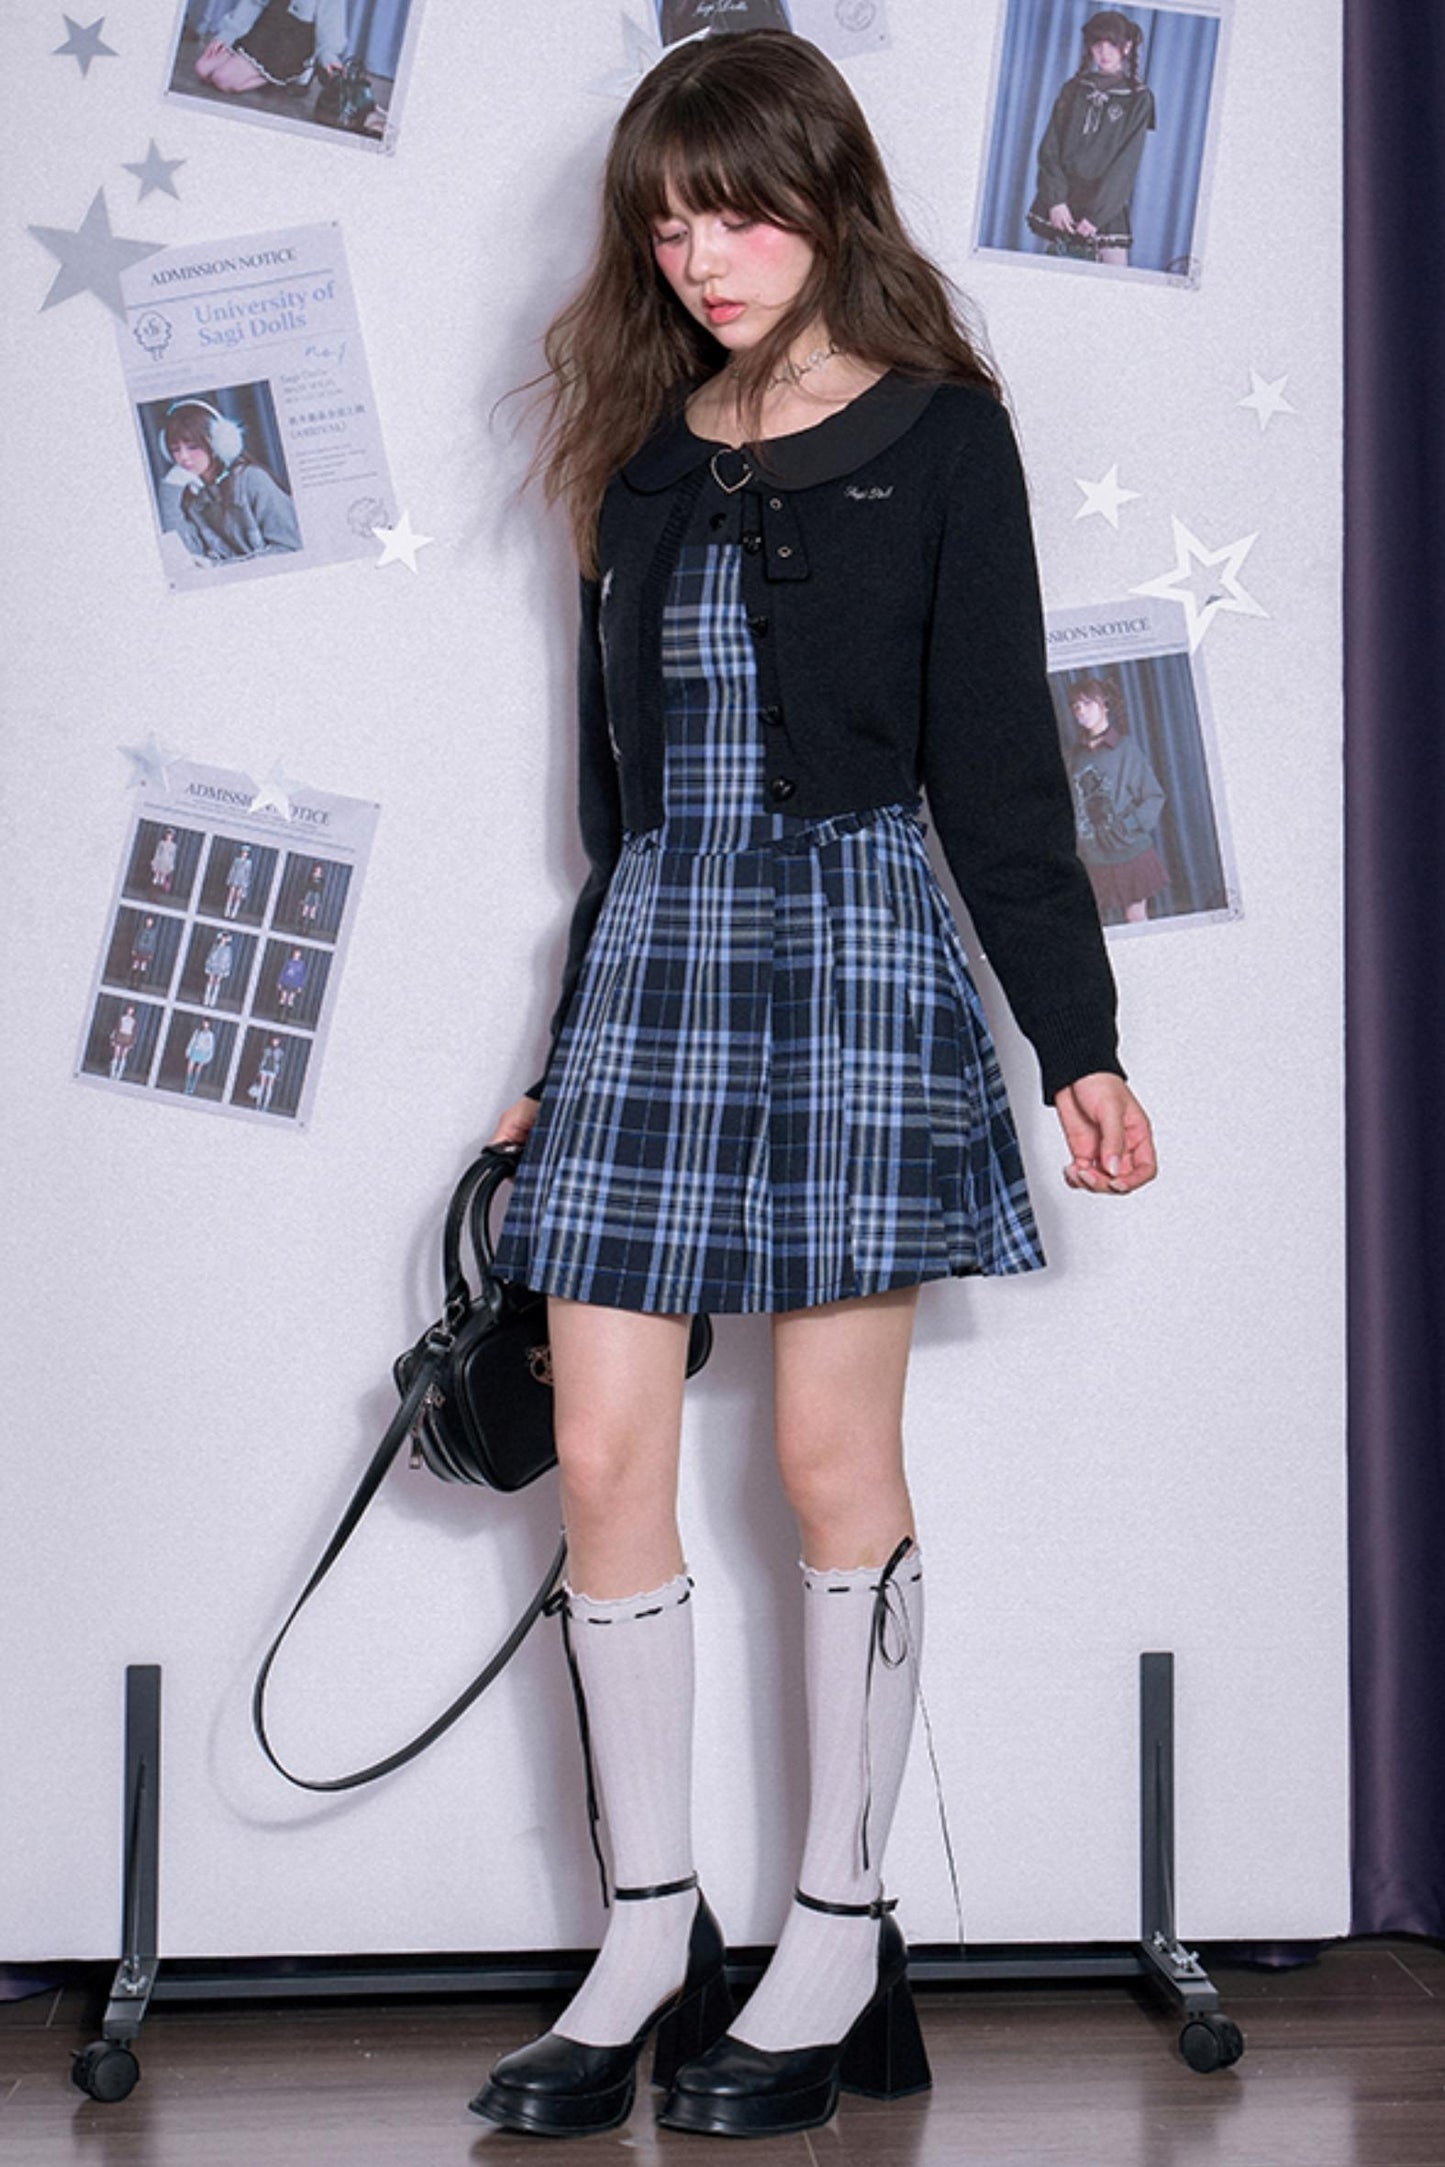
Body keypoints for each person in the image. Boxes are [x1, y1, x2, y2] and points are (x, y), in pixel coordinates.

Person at [473, 29, 1156, 2143]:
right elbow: (613, 811)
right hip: (655, 974)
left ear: (825, 198)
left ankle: (840, 1925)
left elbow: (998, 773)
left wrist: (1077, 1043)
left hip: (854, 956)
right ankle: (648, 1934)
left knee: (822, 1460)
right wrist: (557, 1064)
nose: (701, 258)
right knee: (601, 1452)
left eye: (738, 213)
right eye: (667, 225)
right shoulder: (641, 458)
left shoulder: (941, 438)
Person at [1026, 10, 1155, 267]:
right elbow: (1050, 147)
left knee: (1116, 279)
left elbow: (1126, 164)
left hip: (1105, 203)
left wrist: (1097, 215)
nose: (1104, 52)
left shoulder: (1139, 98)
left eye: (1112, 45)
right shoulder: (1073, 89)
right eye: (1097, 44)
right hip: (1063, 201)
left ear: (1127, 47)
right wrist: (1056, 200)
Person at [1066, 675, 1169, 924]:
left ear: (1104, 706)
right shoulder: (1073, 755)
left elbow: (1153, 796)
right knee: (1096, 925)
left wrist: (1127, 825)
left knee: (1135, 918)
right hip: (1091, 857)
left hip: (1128, 852)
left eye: (1087, 703)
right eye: (1076, 706)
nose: (1081, 711)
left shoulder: (1125, 749)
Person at [160, 400, 302, 564]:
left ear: (218, 442)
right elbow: (187, 559)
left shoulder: (252, 479)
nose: (183, 457)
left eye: (192, 447)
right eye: (175, 449)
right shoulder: (190, 496)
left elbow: (290, 547)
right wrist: (170, 492)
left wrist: (222, 567)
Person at [192, 0, 347, 98]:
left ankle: (294, 74)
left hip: (292, 39)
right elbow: (252, 3)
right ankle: (267, 75)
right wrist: (228, 34)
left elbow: (331, 24)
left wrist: (328, 56)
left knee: (223, 79)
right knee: (203, 68)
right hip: (264, 25)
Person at [202, 931, 235, 1008]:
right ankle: (206, 1000)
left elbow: (228, 960)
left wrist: (226, 969)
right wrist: (208, 966)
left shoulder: (227, 949)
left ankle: (213, 1001)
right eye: (223, 937)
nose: (224, 939)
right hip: (213, 966)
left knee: (217, 983)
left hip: (221, 967)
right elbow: (210, 956)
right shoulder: (215, 946)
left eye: (225, 938)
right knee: (210, 981)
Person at [183, 1019, 216, 1095]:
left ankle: (192, 1088)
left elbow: (211, 1046)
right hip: (195, 1051)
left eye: (207, 1023)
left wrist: (209, 1056)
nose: (205, 1025)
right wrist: (188, 1050)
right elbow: (192, 1041)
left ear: (209, 1024)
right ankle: (187, 1087)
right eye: (204, 1023)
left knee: (198, 1070)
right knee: (189, 1069)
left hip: (203, 1053)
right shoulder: (197, 1032)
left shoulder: (210, 1034)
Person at [108, 1006, 139, 1082]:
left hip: (128, 1038)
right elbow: (116, 1028)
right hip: (120, 1036)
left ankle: (119, 1074)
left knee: (124, 1056)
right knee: (116, 1054)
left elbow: (134, 1032)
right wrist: (113, 1039)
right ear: (127, 1010)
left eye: (131, 1011)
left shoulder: (134, 1021)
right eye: (129, 1010)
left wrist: (132, 1042)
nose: (130, 1012)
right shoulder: (122, 1018)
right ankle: (112, 1073)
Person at [224, 845, 254, 920]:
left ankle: (233, 915)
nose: (244, 854)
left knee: (238, 897)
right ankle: (226, 913)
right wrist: (229, 879)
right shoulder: (236, 860)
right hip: (235, 879)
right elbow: (232, 870)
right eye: (243, 852)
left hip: (242, 881)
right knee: (230, 896)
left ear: (248, 854)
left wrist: (246, 884)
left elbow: (248, 874)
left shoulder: (249, 862)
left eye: (246, 852)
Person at [150, 828, 177, 893]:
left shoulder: (173, 846)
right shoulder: (161, 843)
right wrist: (154, 862)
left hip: (167, 862)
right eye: (167, 835)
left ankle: (159, 892)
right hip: (160, 860)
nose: (168, 836)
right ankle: (153, 891)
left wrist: (171, 865)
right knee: (156, 877)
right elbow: (157, 852)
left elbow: (172, 856)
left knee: (163, 878)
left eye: (170, 835)